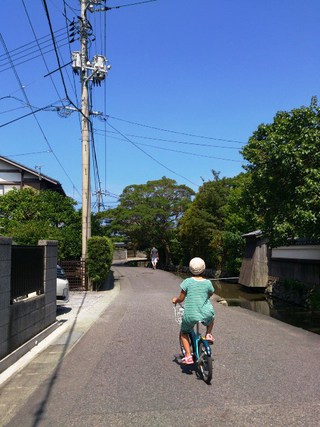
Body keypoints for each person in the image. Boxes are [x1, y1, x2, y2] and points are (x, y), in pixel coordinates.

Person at [172, 257, 215, 365]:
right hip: (206, 313)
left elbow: (181, 298)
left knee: (184, 333)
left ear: (190, 269)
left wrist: (175, 300)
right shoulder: (208, 282)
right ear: (204, 268)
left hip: (191, 314)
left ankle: (188, 355)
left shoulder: (187, 282)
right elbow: (210, 294)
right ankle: (209, 334)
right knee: (212, 318)